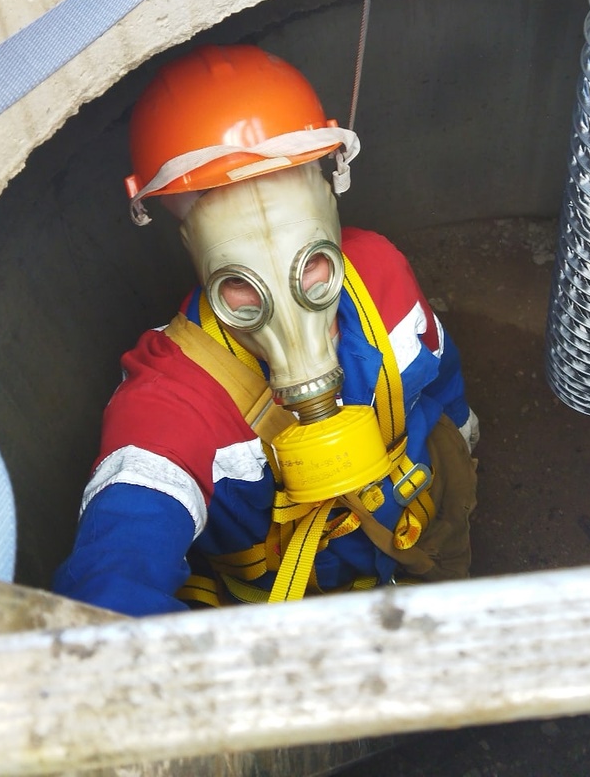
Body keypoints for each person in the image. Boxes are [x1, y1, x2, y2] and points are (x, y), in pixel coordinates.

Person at [53, 44, 479, 616]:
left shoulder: (378, 272)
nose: (287, 300)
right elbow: (112, 581)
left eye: (311, 262)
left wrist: (461, 425)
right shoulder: (170, 402)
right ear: (195, 250)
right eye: (243, 282)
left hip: (418, 539)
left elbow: (440, 366)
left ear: (329, 208)